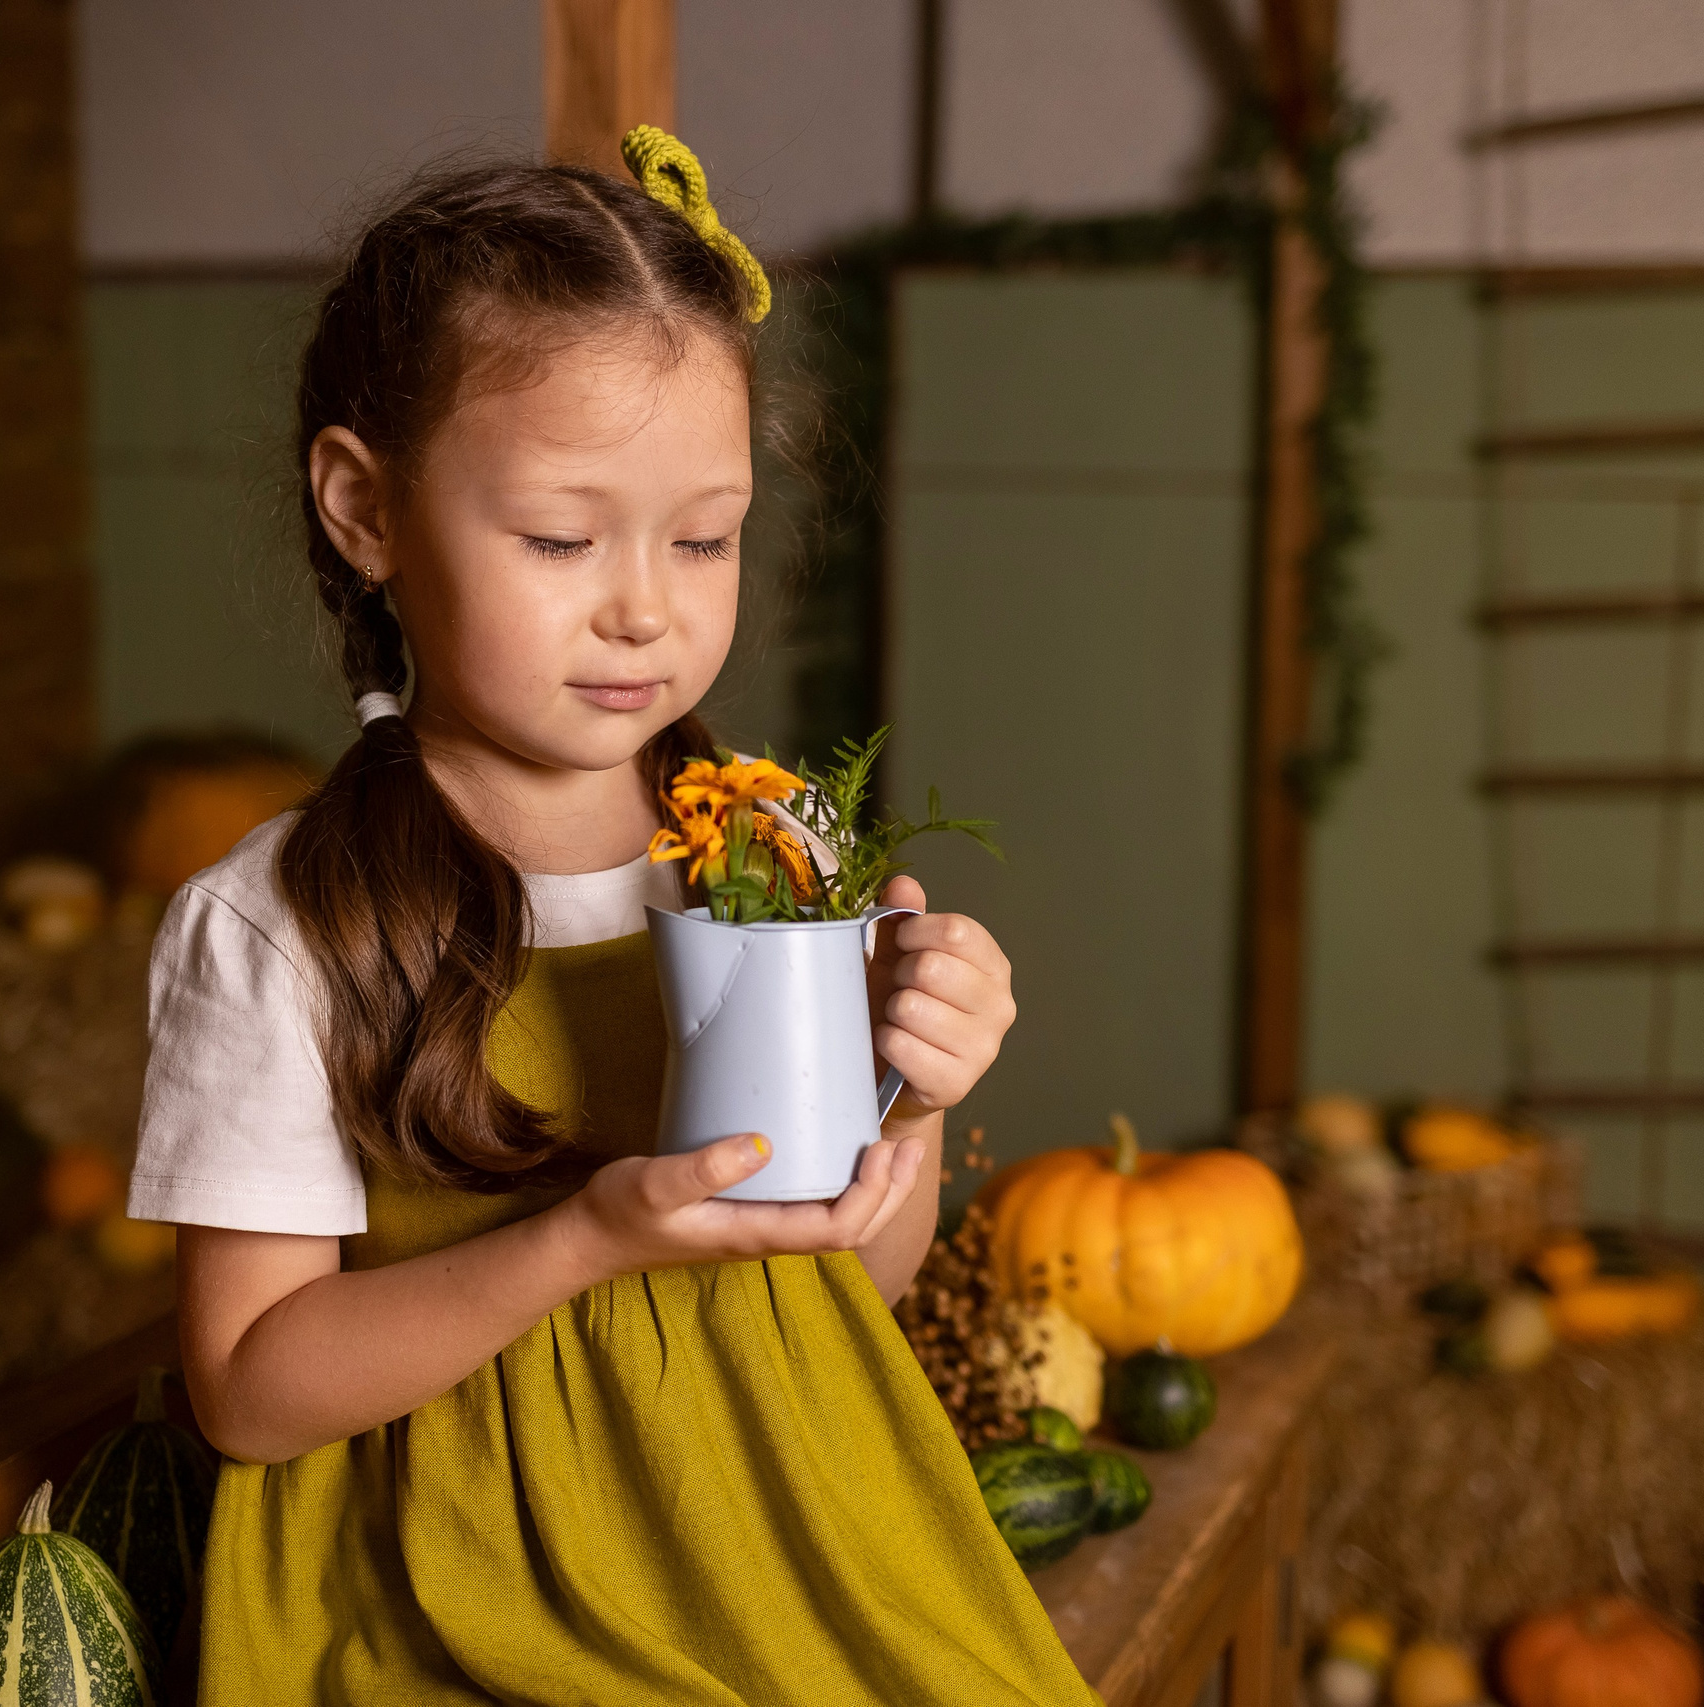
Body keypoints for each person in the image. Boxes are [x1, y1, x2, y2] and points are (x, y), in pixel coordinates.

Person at [128, 128, 1094, 1705]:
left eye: (702, 537)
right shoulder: (275, 927)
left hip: (779, 1542)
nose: (645, 604)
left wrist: (908, 1102)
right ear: (366, 511)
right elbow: (246, 1388)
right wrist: (586, 1243)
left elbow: (847, 1279)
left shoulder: (777, 847)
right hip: (457, 1591)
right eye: (562, 539)